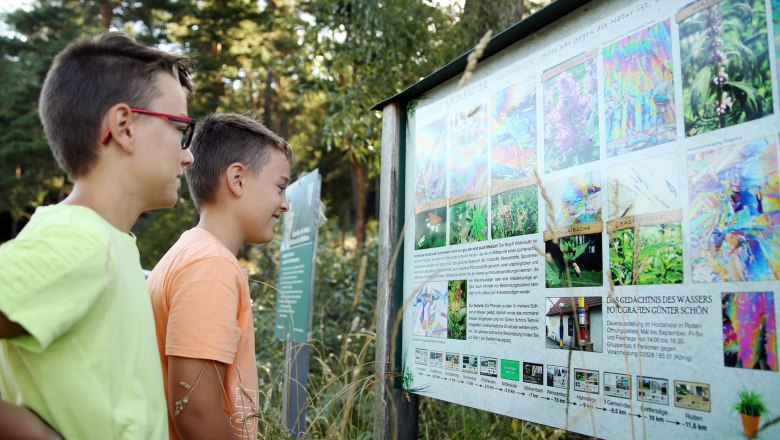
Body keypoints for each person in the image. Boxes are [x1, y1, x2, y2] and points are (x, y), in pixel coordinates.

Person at [0, 32, 195, 439]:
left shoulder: (106, 242)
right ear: (123, 126)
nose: (188, 153)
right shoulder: (79, 241)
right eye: (180, 128)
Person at [147, 113, 292, 440]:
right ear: (238, 179)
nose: (284, 204)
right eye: (280, 187)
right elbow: (195, 413)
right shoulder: (211, 266)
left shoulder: (189, 253)